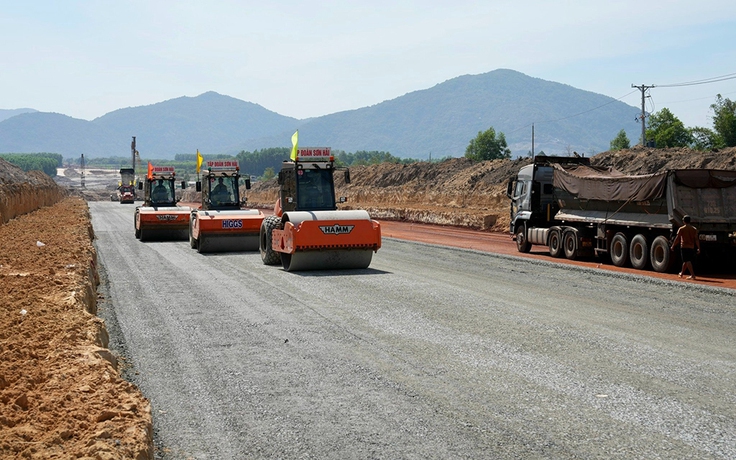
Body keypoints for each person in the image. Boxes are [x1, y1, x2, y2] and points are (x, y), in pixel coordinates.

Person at [671, 215, 700, 280]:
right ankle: (682, 273)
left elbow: (677, 238)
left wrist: (673, 246)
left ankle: (692, 275)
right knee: (686, 261)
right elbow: (696, 239)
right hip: (691, 247)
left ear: (684, 221)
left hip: (684, 246)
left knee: (687, 260)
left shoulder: (681, 229)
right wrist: (698, 248)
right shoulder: (694, 229)